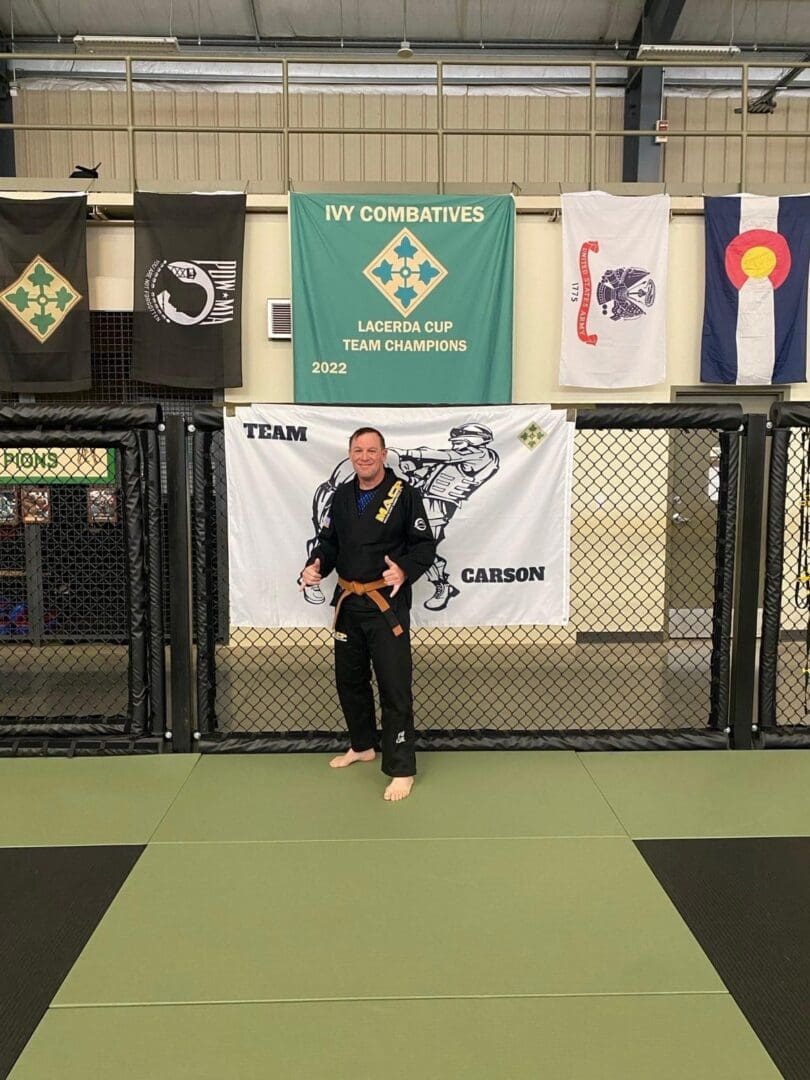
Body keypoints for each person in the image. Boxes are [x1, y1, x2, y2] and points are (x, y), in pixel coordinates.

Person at [299, 427, 436, 801]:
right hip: (348, 601)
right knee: (350, 680)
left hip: (385, 605)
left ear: (384, 454)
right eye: (357, 450)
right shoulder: (342, 496)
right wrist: (314, 568)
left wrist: (404, 570)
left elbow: (425, 545)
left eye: (371, 451)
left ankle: (401, 767)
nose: (364, 457)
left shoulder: (405, 495)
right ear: (350, 453)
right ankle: (361, 745)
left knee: (394, 686)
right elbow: (329, 543)